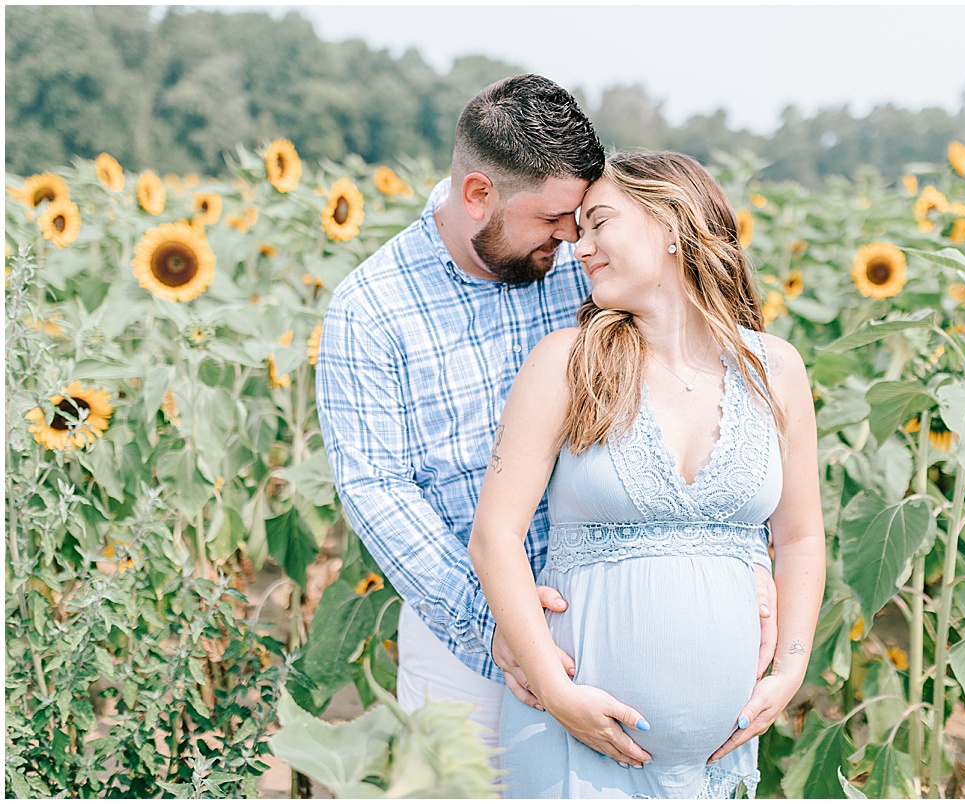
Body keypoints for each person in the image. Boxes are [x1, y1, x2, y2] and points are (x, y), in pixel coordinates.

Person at [315, 74, 780, 755]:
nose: (570, 238)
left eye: (581, 217)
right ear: (477, 195)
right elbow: (377, 492)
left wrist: (738, 555)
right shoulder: (371, 309)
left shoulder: (585, 267)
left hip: (613, 625)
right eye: (551, 218)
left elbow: (697, 389)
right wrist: (497, 624)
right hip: (467, 650)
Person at [468, 151, 827, 798]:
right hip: (571, 741)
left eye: (599, 223)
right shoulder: (565, 363)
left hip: (716, 764)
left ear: (670, 224)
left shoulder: (775, 369)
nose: (582, 248)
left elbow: (800, 536)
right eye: (578, 230)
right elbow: (496, 535)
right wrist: (555, 690)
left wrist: (789, 672)